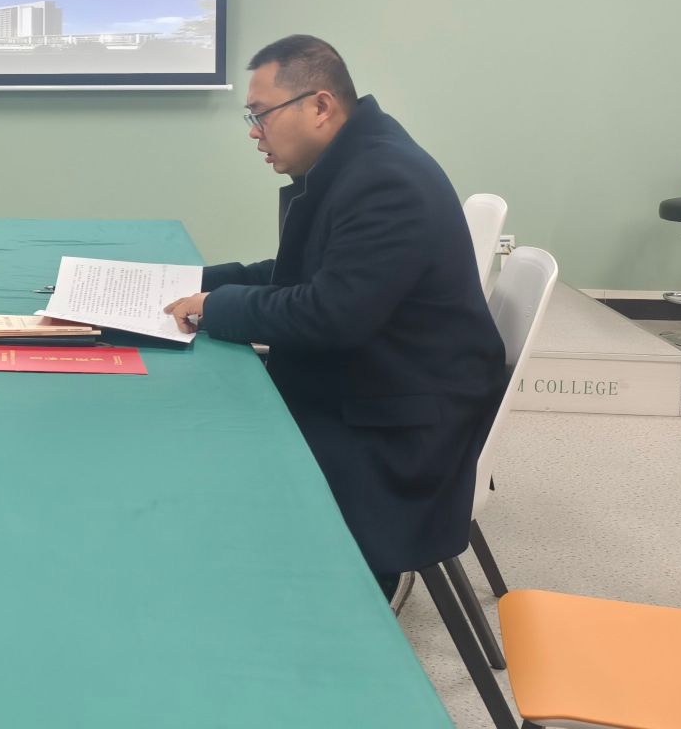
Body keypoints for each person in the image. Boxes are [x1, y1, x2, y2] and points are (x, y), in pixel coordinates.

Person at [165, 35, 506, 595]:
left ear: (320, 106)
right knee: (203, 418)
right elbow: (303, 276)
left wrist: (213, 307)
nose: (254, 133)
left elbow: (330, 313)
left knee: (204, 440)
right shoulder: (358, 161)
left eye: (260, 115)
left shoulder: (385, 181)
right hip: (375, 385)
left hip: (398, 429)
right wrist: (198, 284)